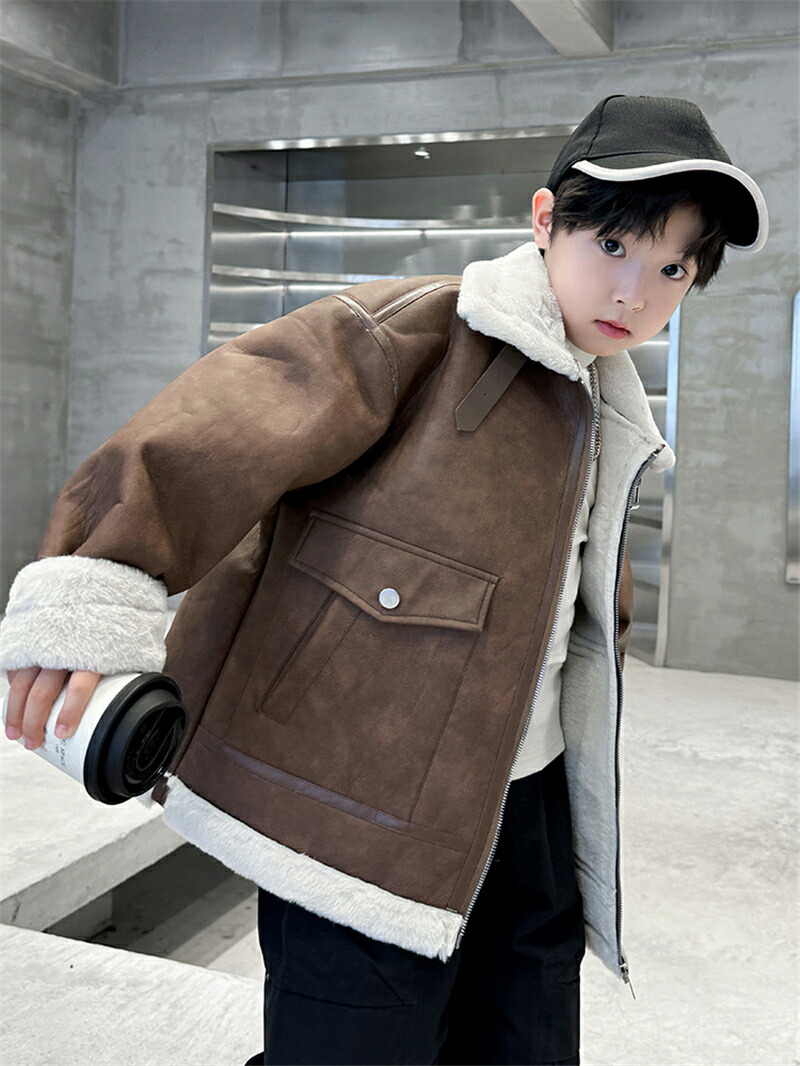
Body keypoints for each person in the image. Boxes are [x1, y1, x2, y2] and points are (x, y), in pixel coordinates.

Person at [1, 95, 767, 1065]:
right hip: (356, 814)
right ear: (544, 220)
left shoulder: (604, 402)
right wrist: (93, 586)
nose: (635, 292)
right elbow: (215, 429)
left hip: (527, 808)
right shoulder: (420, 332)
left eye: (672, 270)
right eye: (612, 245)